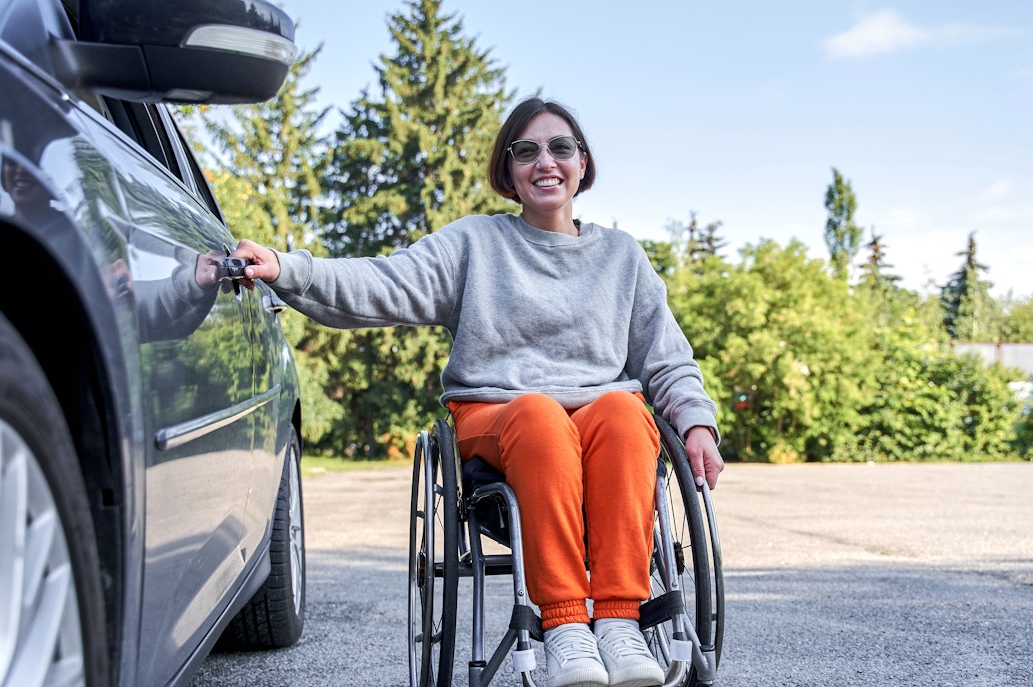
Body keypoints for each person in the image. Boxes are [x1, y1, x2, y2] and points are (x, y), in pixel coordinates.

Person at [232, 97, 723, 687]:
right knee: (541, 415)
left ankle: (618, 622)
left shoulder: (622, 257)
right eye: (526, 151)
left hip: (599, 425)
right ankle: (565, 626)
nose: (545, 161)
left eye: (560, 147)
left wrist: (695, 423)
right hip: (500, 419)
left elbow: (667, 359)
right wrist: (289, 269)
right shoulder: (475, 245)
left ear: (583, 164)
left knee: (624, 410)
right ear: (509, 170)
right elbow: (383, 283)